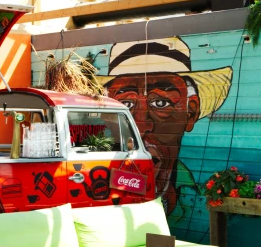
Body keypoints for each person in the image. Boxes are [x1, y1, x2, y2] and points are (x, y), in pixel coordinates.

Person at [96, 38, 233, 225]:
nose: (141, 126)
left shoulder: (199, 203)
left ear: (190, 113)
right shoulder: (97, 186)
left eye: (160, 103)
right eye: (125, 105)